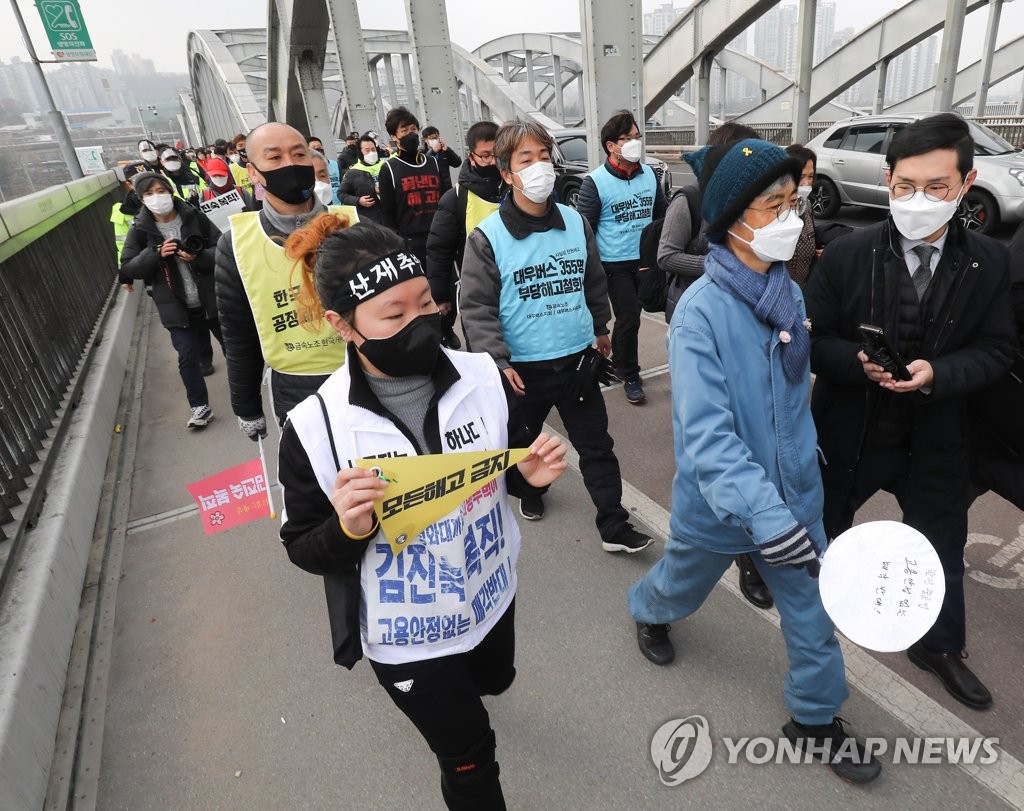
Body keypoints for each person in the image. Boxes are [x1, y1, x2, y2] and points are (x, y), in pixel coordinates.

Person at [277, 215, 568, 810]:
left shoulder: (484, 377)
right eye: (393, 314)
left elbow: (498, 465)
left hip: (491, 593)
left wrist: (524, 476)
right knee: (469, 756)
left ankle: (480, 689)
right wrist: (349, 528)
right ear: (343, 325)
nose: (422, 323)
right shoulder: (315, 428)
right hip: (407, 638)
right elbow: (303, 544)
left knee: (494, 680)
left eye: (426, 302)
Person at [629, 139, 881, 784]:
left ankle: (816, 717)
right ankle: (648, 610)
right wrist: (763, 513)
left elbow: (793, 399)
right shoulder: (700, 315)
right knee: (681, 583)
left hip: (794, 494)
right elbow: (707, 437)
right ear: (735, 216)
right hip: (720, 505)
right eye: (775, 205)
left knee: (812, 613)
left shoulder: (785, 293)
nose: (792, 217)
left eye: (793, 201)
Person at [806, 113, 1016, 710]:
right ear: (889, 179)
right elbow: (815, 340)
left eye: (937, 188)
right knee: (822, 527)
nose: (918, 201)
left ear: (967, 181)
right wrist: (857, 363)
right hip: (851, 430)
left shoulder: (988, 263)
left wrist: (940, 373)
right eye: (905, 187)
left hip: (937, 433)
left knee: (941, 545)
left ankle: (939, 644)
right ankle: (813, 629)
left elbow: (998, 348)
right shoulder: (846, 254)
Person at [460, 120, 652, 553]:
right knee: (526, 446)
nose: (540, 167)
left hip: (577, 361)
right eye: (526, 159)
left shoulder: (574, 222)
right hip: (523, 370)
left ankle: (614, 525)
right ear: (507, 173)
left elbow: (592, 280)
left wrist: (601, 328)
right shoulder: (488, 236)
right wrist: (497, 361)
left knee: (597, 446)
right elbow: (476, 307)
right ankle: (531, 491)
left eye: (545, 157)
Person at [660, 122, 775, 611]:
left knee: (753, 436)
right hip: (700, 313)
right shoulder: (689, 200)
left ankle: (751, 556)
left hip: (750, 319)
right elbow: (666, 255)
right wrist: (725, 268)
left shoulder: (768, 206)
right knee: (709, 432)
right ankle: (667, 593)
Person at [214, 122, 353, 440]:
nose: (290, 165)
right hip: (296, 389)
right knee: (318, 484)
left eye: (299, 153)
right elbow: (239, 336)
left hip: (370, 375)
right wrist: (246, 406)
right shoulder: (236, 244)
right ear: (253, 172)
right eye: (274, 158)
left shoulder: (354, 224)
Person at [119, 172, 223, 429]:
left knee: (235, 345)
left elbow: (223, 249)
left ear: (170, 191)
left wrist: (198, 257)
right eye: (149, 194)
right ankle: (199, 407)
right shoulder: (140, 230)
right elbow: (129, 267)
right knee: (187, 356)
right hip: (176, 307)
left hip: (211, 299)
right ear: (141, 199)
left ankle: (253, 390)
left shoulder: (194, 216)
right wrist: (155, 254)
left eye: (161, 191)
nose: (157, 197)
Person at [576, 111, 667, 405]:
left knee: (649, 312)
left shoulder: (650, 175)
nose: (634, 143)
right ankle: (629, 374)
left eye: (637, 137)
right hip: (615, 265)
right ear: (611, 146)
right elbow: (585, 230)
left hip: (646, 261)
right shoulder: (595, 182)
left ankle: (617, 362)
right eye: (627, 138)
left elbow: (661, 215)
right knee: (629, 316)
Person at [426, 121, 506, 352]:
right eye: (486, 156)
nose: (493, 162)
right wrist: (441, 296)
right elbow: (439, 250)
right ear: (471, 157)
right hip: (479, 296)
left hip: (521, 290)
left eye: (498, 155)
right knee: (487, 359)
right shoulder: (456, 199)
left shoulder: (518, 188)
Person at [378, 107, 442, 267]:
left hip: (439, 238)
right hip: (410, 243)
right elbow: (387, 214)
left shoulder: (433, 162)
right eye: (404, 130)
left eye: (413, 129)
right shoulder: (390, 169)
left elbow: (445, 200)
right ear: (394, 136)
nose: (410, 134)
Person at [783, 143, 819, 288]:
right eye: (801, 176)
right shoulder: (774, 210)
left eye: (810, 176)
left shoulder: (807, 206)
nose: (806, 183)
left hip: (801, 291)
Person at [339, 133, 387, 225]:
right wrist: (358, 200)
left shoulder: (386, 166)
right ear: (360, 152)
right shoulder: (353, 172)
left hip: (389, 217)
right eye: (367, 150)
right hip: (369, 220)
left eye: (373, 150)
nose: (371, 153)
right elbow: (341, 194)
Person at [422, 125, 462, 195]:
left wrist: (447, 150)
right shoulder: (422, 153)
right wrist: (433, 151)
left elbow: (457, 163)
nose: (434, 140)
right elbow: (422, 165)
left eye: (436, 138)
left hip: (446, 190)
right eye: (431, 138)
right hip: (430, 191)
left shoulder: (444, 151)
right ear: (425, 140)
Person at [308, 135, 341, 202]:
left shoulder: (335, 164)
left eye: (319, 147)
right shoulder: (307, 169)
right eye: (314, 148)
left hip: (338, 203)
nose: (317, 149)